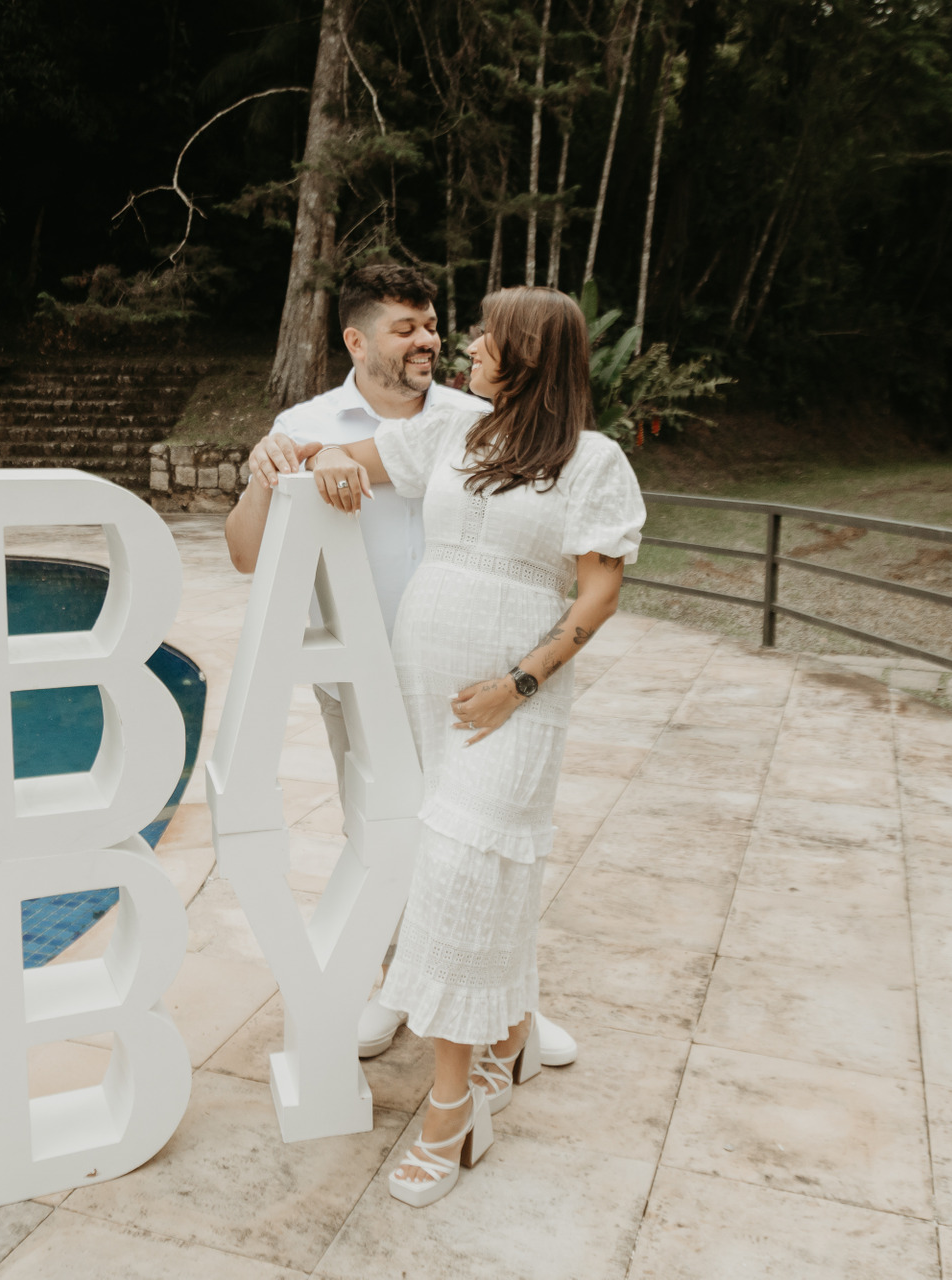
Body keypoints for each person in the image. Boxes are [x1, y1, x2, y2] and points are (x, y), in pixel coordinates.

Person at [291, 286, 645, 1207]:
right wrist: (310, 456)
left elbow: (599, 592)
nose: (472, 346)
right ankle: (509, 1032)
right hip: (423, 691)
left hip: (513, 703)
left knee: (460, 874)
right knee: (476, 874)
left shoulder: (593, 459)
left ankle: (451, 1112)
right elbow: (346, 455)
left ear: (529, 355)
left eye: (490, 337)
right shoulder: (453, 434)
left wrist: (519, 682)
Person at [224, 264, 581, 1071]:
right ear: (356, 341)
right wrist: (276, 469)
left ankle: (511, 1006)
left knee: (488, 843)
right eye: (406, 328)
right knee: (383, 835)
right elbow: (246, 555)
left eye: (432, 325)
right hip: (360, 677)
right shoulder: (304, 425)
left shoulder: (480, 417)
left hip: (474, 679)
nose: (429, 341)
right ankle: (395, 985)